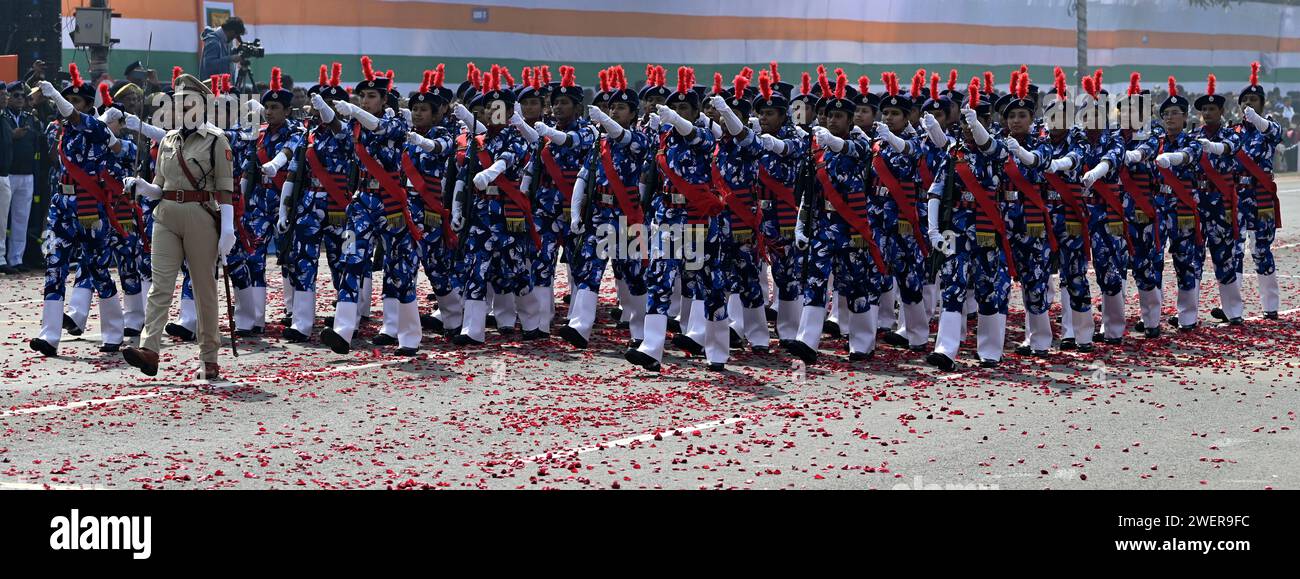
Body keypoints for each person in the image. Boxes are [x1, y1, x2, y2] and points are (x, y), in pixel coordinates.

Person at [121, 73, 236, 379]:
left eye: (187, 102)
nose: (180, 108)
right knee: (160, 285)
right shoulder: (169, 139)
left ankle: (209, 356)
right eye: (177, 102)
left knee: (203, 290)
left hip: (200, 214)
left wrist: (228, 228)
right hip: (167, 215)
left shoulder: (216, 140)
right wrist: (142, 186)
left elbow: (225, 189)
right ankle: (150, 349)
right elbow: (160, 186)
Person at [29, 64, 126, 357]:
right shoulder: (63, 131)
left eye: (77, 101)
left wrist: (55, 94)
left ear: (88, 106)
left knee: (98, 270)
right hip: (62, 204)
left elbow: (74, 116)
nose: (70, 106)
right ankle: (49, 336)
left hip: (89, 207)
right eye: (67, 100)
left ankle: (113, 332)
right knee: (54, 267)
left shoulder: (95, 128)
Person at [1233, 62, 1284, 319]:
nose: (1249, 103)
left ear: (1262, 104)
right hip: (1237, 197)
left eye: (1255, 99)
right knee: (1234, 250)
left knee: (1261, 250)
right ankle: (1232, 308)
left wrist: (1256, 118)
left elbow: (1274, 132)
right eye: (1246, 99)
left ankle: (1271, 306)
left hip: (1260, 196)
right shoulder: (1234, 131)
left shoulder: (1269, 127)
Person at [4, 82, 43, 272]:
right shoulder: (4, 118)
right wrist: (12, 135)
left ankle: (16, 258)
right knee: (2, 219)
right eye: (16, 95)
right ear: (8, 97)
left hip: (27, 174)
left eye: (23, 96)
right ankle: (2, 258)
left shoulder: (30, 118)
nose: (20, 99)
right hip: (8, 173)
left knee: (21, 219)